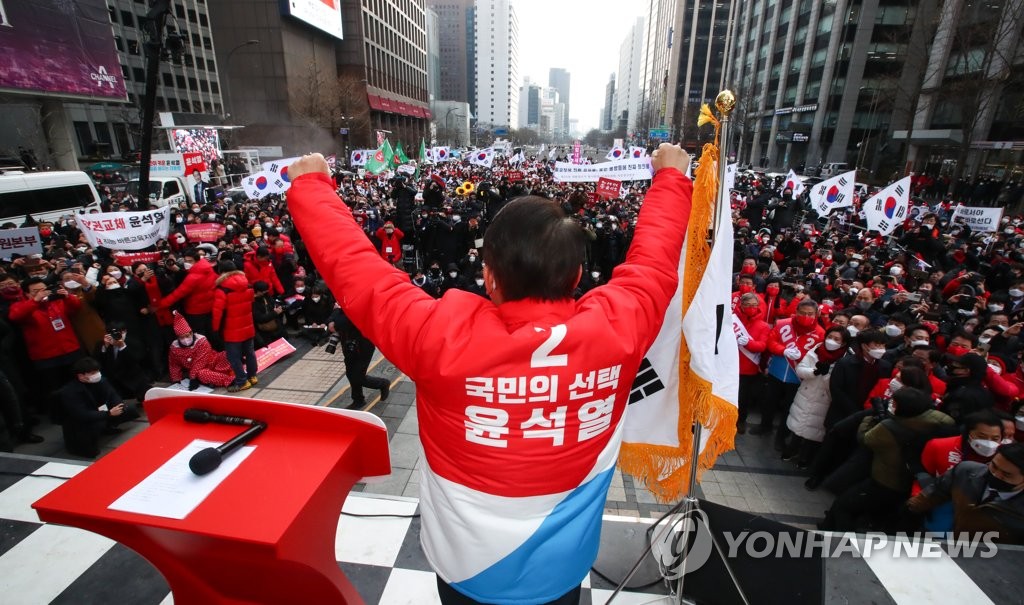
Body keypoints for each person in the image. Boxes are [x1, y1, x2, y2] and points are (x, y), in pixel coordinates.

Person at [286, 145, 693, 605]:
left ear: (490, 277)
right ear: (578, 275)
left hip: (465, 571)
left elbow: (361, 277)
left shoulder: (436, 337)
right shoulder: (621, 328)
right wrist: (671, 181)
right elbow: (653, 265)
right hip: (560, 572)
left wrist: (311, 190)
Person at [907, 442, 1024, 544]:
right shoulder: (966, 472)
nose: (995, 474)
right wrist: (910, 510)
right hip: (953, 543)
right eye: (994, 466)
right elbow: (936, 491)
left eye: (1006, 474)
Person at [58, 357, 140, 458]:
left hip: (101, 411)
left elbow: (113, 395)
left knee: (128, 409)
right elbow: (81, 414)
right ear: (81, 376)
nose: (97, 375)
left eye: (97, 371)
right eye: (92, 373)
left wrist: (118, 406)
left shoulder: (102, 381)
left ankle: (107, 427)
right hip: (81, 423)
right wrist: (108, 414)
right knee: (91, 451)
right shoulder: (69, 392)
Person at [329, 307, 390, 409]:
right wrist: (333, 318)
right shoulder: (345, 302)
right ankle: (358, 399)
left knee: (358, 376)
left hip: (363, 346)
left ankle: (382, 383)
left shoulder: (360, 306)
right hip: (348, 345)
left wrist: (335, 318)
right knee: (350, 373)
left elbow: (342, 322)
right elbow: (333, 315)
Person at [212, 263, 258, 392]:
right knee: (250, 353)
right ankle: (252, 376)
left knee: (234, 357)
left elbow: (217, 313)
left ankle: (242, 381)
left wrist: (215, 329)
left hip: (231, 330)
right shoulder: (248, 284)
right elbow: (251, 305)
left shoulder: (222, 289)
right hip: (248, 326)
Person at [158, 248, 217, 339]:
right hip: (208, 307)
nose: (187, 263)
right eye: (185, 260)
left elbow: (177, 294)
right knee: (210, 333)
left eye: (190, 261)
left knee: (200, 336)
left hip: (195, 311)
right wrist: (178, 270)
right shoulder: (208, 268)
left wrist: (160, 305)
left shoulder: (193, 278)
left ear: (196, 260)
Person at [167, 313, 234, 389]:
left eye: (187, 336)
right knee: (202, 374)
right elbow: (174, 365)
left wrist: (192, 377)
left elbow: (200, 361)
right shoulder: (174, 348)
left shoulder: (202, 341)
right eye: (181, 338)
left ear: (191, 333)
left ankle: (237, 370)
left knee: (228, 354)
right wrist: (176, 380)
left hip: (213, 362)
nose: (185, 339)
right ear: (178, 338)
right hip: (201, 371)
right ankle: (230, 380)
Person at [93, 321, 153, 402]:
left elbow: (135, 361)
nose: (116, 336)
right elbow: (98, 363)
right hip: (115, 381)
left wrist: (122, 347)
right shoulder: (102, 345)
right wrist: (105, 348)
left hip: (133, 378)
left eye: (119, 332)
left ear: (124, 331)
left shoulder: (134, 342)